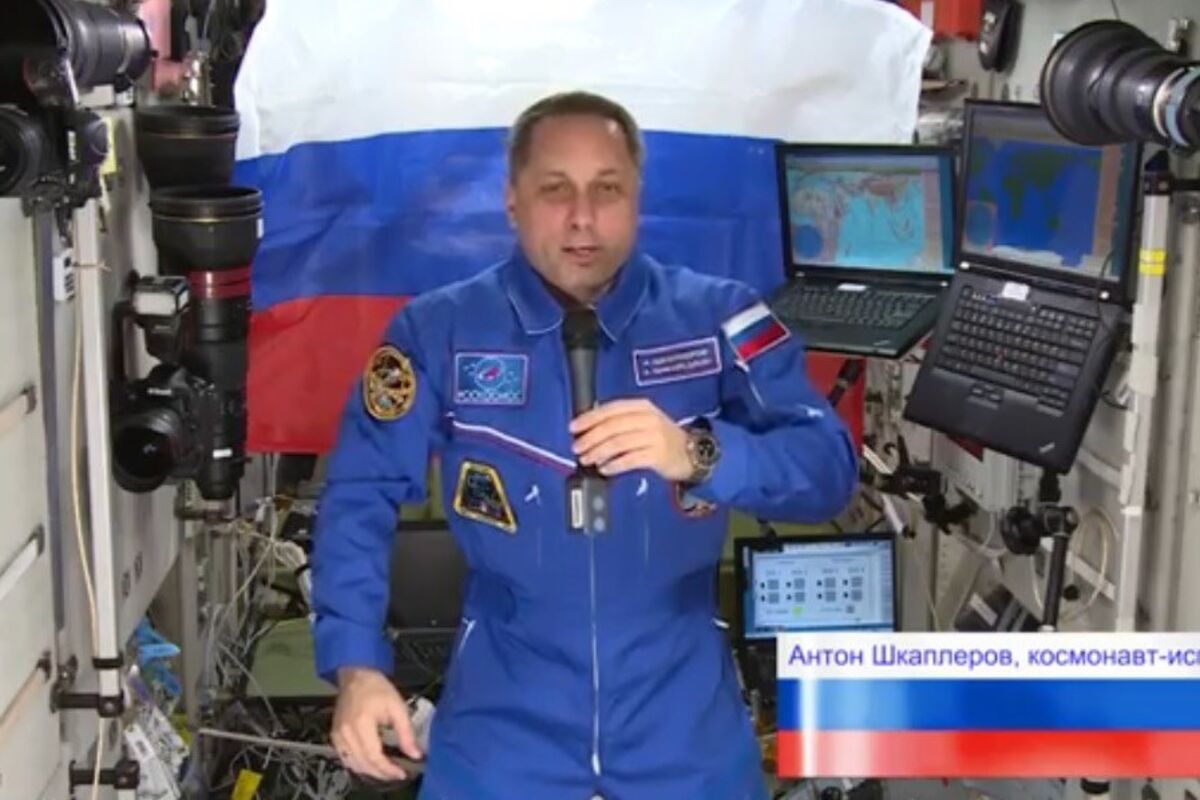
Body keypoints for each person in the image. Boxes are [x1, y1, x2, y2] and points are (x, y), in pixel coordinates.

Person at [311, 90, 859, 800]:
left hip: (681, 723)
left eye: (607, 190)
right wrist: (356, 665)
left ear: (637, 199)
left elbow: (828, 470)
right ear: (512, 201)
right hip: (502, 726)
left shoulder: (721, 318)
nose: (582, 218)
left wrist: (698, 453)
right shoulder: (436, 332)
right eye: (554, 190)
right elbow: (360, 495)